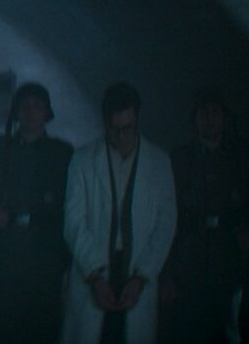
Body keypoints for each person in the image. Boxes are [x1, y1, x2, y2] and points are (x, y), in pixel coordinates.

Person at [61, 82, 176, 344]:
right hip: (94, 268)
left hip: (137, 269)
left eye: (128, 128)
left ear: (138, 119)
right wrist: (94, 276)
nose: (122, 136)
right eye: (115, 129)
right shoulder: (82, 161)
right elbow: (74, 222)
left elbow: (165, 223)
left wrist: (142, 276)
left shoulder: (159, 163)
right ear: (105, 121)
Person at [0, 83, 73, 343]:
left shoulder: (62, 154)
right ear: (16, 112)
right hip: (5, 256)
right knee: (3, 329)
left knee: (42, 330)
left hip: (45, 259)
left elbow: (73, 206)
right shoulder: (1, 148)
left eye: (37, 106)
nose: (30, 112)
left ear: (47, 112)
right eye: (24, 106)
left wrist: (65, 259)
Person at [159, 88, 249, 344]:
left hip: (229, 262)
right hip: (190, 262)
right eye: (203, 112)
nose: (209, 118)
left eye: (214, 112)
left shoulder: (241, 158)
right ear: (195, 118)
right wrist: (167, 273)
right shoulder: (181, 159)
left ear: (224, 117)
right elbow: (167, 216)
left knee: (229, 330)